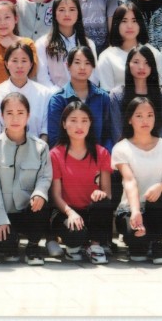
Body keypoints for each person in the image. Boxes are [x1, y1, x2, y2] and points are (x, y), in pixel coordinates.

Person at [0, 93, 52, 265]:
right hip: (5, 211)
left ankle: (33, 246)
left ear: (28, 115)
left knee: (43, 201)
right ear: (2, 116)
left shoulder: (41, 147)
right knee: (4, 245)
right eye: (9, 113)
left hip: (28, 211)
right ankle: (10, 241)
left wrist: (39, 193)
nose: (15, 118)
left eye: (20, 113)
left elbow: (45, 177)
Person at [112, 96, 162, 264]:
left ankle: (156, 242)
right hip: (130, 208)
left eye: (150, 115)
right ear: (129, 119)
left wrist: (159, 187)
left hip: (156, 207)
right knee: (138, 254)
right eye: (139, 116)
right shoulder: (121, 148)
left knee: (160, 202)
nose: (145, 120)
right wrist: (135, 211)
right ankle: (139, 242)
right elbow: (129, 181)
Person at [49, 101, 114, 264]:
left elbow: (108, 192)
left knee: (104, 202)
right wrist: (70, 213)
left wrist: (101, 193)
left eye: (84, 120)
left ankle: (95, 245)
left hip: (92, 212)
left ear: (90, 123)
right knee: (75, 234)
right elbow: (56, 195)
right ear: (64, 124)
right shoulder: (55, 154)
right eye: (73, 120)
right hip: (66, 211)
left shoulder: (102, 153)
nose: (79, 126)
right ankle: (74, 246)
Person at [45, 47, 114, 152]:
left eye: (87, 63)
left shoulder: (103, 97)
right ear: (68, 65)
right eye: (77, 62)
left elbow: (108, 135)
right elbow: (55, 139)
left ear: (93, 66)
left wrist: (103, 156)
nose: (82, 67)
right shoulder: (58, 100)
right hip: (67, 158)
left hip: (98, 157)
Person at [0, 43, 53, 142]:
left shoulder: (45, 93)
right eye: (15, 61)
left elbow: (45, 130)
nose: (19, 66)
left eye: (24, 61)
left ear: (31, 64)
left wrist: (38, 149)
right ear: (6, 64)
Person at [107, 47, 162, 145]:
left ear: (152, 66)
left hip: (156, 149)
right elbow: (117, 130)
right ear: (128, 64)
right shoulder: (117, 95)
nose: (141, 67)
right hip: (126, 150)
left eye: (146, 63)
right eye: (136, 62)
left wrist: (154, 149)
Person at [94, 3, 159, 91]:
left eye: (134, 21)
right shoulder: (106, 57)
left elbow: (159, 90)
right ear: (116, 24)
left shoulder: (154, 54)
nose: (129, 26)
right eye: (124, 21)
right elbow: (107, 93)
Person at [35, 0, 94, 89]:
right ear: (54, 14)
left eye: (72, 9)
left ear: (78, 13)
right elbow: (42, 77)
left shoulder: (89, 44)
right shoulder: (42, 44)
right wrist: (60, 95)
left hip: (83, 94)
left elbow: (93, 75)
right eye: (62, 10)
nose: (67, 14)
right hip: (55, 95)